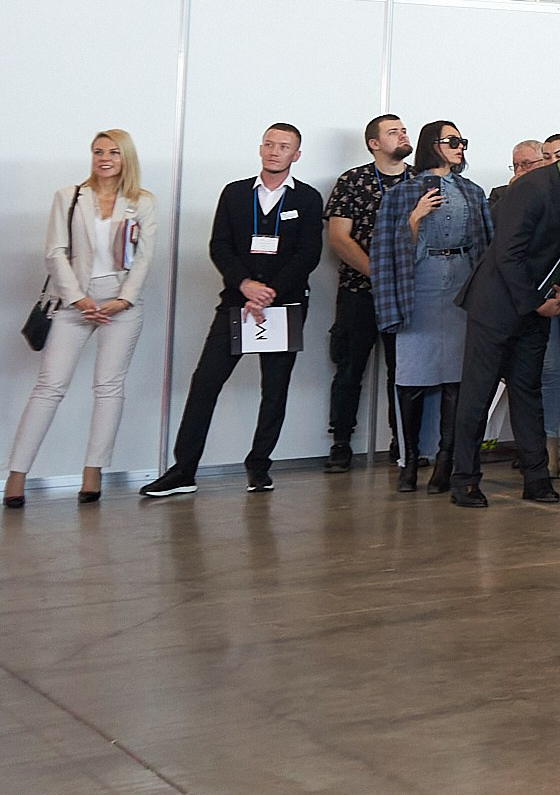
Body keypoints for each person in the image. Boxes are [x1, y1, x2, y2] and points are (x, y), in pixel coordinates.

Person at [142, 125, 326, 498]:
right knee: (205, 382)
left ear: (297, 155)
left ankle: (259, 465)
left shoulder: (307, 199)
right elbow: (219, 245)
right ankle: (184, 470)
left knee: (274, 389)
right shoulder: (235, 193)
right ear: (260, 148)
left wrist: (270, 293)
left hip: (285, 305)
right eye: (270, 144)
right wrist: (245, 285)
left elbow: (308, 254)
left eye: (284, 147)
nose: (275, 151)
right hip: (236, 302)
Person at [449, 133, 560, 508]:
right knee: (478, 394)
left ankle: (536, 477)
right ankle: (464, 478)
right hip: (497, 305)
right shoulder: (533, 187)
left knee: (528, 392)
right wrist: (538, 302)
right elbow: (508, 254)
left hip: (534, 305)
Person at [7, 130, 157, 506]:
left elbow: (144, 258)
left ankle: (93, 472)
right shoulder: (69, 197)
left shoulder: (142, 202)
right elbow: (55, 252)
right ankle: (16, 476)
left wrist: (124, 300)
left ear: (126, 158)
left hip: (121, 305)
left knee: (108, 387)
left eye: (112, 152)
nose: (103, 158)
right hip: (74, 302)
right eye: (97, 151)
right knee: (49, 387)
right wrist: (78, 299)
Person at [372, 122, 491, 494]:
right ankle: (408, 463)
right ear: (432, 145)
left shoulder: (472, 192)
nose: (459, 147)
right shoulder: (402, 192)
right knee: (411, 378)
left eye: (462, 142)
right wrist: (415, 217)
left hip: (461, 281)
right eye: (451, 141)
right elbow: (386, 250)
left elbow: (485, 245)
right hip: (419, 284)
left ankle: (446, 460)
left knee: (456, 378)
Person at [322, 114, 410, 474]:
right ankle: (341, 442)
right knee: (349, 369)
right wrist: (379, 273)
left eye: (404, 130)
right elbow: (339, 238)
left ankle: (402, 441)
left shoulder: (420, 180)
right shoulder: (352, 181)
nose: (403, 135)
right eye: (393, 132)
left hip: (406, 294)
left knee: (403, 372)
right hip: (360, 291)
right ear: (374, 143)